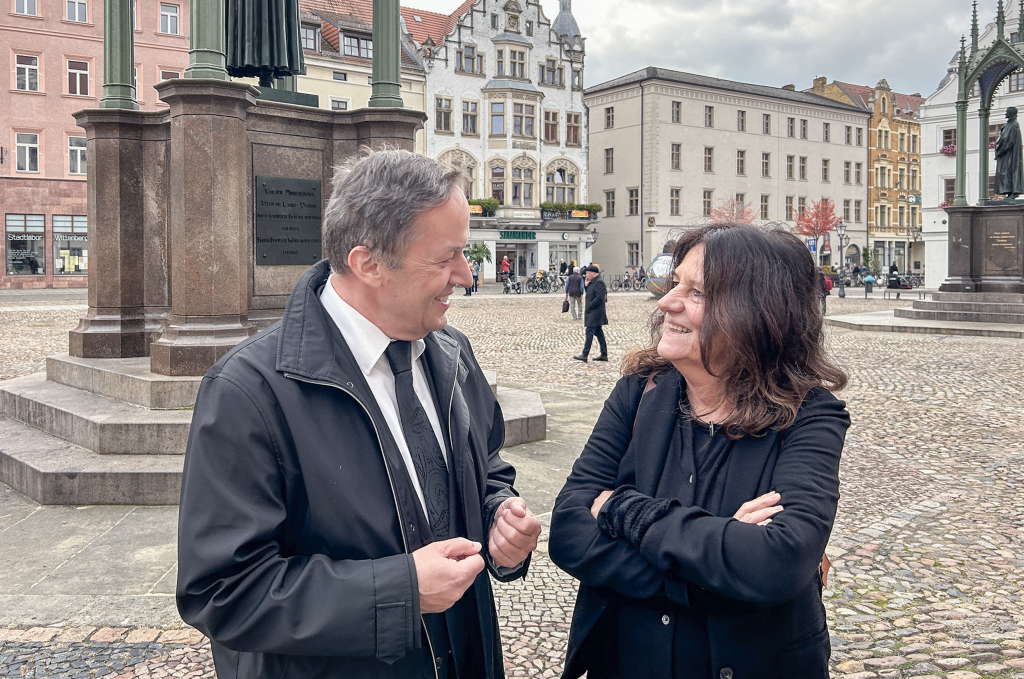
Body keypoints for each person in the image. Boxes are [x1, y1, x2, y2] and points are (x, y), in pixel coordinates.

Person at [177, 151, 541, 679]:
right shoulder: (248, 391)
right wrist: (400, 592)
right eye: (446, 259)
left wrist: (498, 516)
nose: (466, 275)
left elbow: (484, 465)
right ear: (367, 263)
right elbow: (222, 591)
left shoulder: (452, 353)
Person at [550, 223, 850, 679]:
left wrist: (627, 511)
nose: (668, 302)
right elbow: (569, 531)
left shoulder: (808, 417)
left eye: (698, 293)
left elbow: (778, 562)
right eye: (675, 284)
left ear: (760, 314)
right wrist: (720, 555)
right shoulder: (638, 392)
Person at [573, 265, 608, 362]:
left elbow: (600, 297)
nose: (587, 274)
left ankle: (585, 354)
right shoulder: (592, 282)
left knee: (589, 332)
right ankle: (604, 354)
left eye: (588, 273)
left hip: (595, 312)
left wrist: (591, 305)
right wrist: (586, 286)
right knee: (598, 333)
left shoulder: (599, 282)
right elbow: (590, 293)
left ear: (593, 273)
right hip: (593, 312)